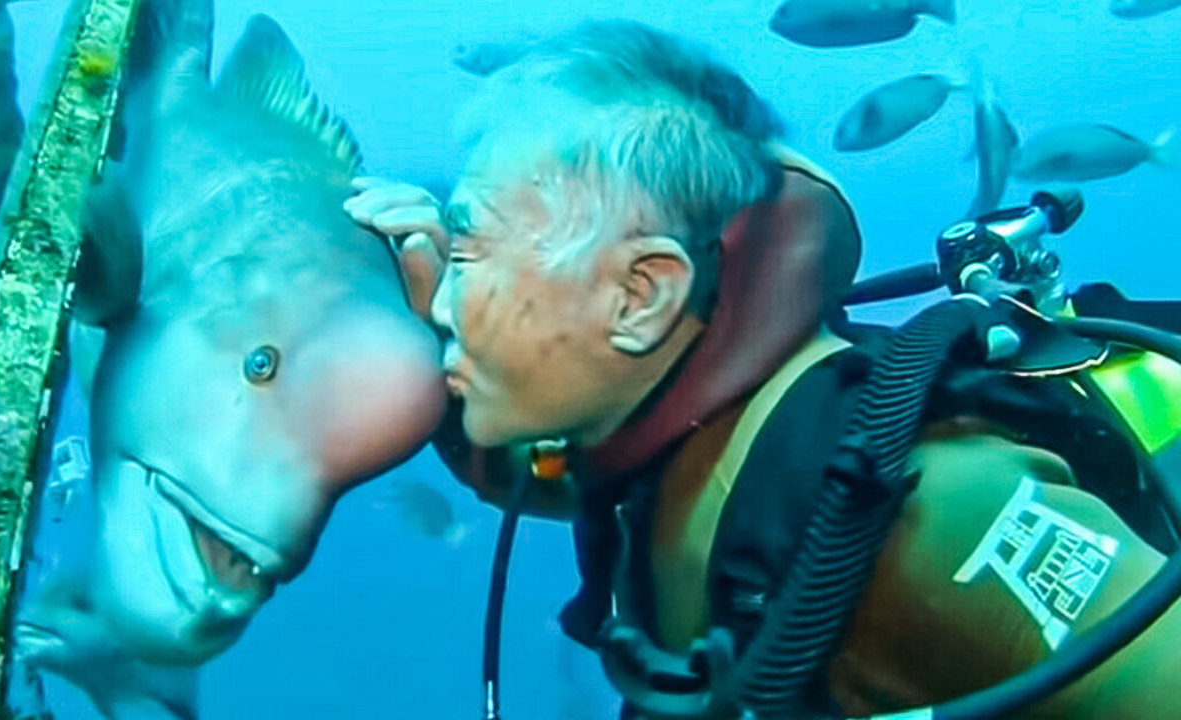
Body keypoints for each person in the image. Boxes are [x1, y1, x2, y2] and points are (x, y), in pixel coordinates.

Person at [344, 19, 1181, 720]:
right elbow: (541, 475)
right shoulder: (678, 461)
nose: (446, 301)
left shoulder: (929, 526)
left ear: (642, 298)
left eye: (475, 248)